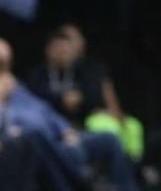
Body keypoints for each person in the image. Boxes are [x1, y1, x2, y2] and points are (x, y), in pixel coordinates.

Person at [0, 37, 139, 191]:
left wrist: (64, 129)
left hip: (58, 139)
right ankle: (84, 181)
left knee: (109, 139)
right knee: (35, 137)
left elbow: (43, 110)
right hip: (26, 146)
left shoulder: (16, 87)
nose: (6, 71)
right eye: (1, 65)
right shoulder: (15, 86)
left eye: (7, 65)